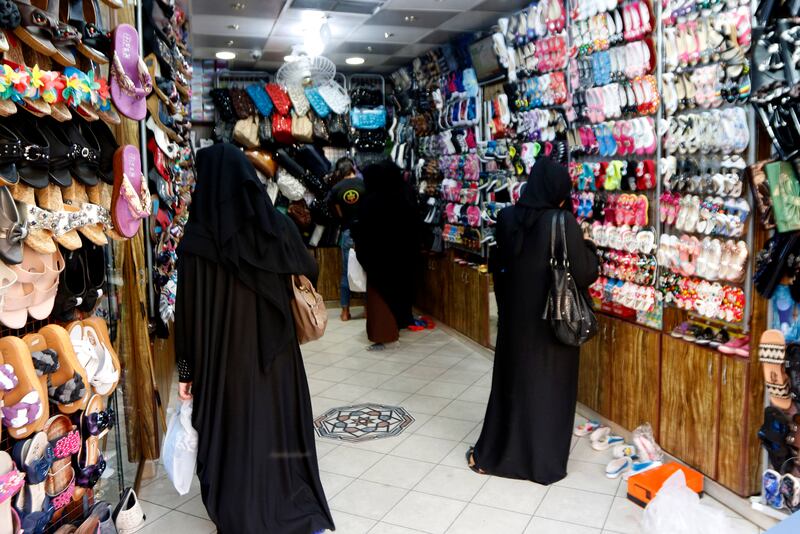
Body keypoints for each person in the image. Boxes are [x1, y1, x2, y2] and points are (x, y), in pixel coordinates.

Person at [174, 144, 334, 534]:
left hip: (220, 363)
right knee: (275, 427)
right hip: (274, 354)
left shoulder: (195, 240)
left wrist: (185, 370)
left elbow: (187, 314)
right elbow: (309, 268)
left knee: (230, 432)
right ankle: (286, 498)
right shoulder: (274, 227)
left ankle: (238, 511)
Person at [468, 157, 599, 485]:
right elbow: (584, 273)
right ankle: (540, 462)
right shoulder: (562, 221)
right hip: (552, 322)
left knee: (512, 387)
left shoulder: (507, 217)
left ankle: (499, 453)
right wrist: (591, 250)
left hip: (514, 322)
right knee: (548, 392)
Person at [351, 160, 419, 350]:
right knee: (398, 293)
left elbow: (362, 230)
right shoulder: (403, 197)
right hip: (401, 258)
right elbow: (413, 228)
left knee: (379, 299)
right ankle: (397, 325)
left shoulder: (370, 201)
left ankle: (385, 335)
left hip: (377, 260)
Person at [326, 157, 365, 321]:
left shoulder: (336, 189)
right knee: (366, 270)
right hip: (365, 231)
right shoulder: (364, 185)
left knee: (345, 272)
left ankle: (345, 312)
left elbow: (337, 212)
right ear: (353, 169)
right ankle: (368, 309)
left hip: (348, 231)